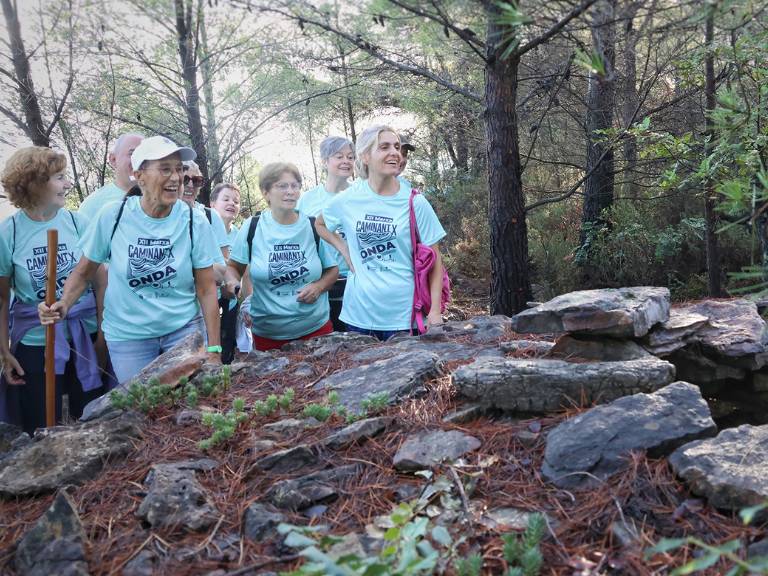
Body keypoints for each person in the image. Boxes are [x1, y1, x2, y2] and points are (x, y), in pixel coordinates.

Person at [39, 136, 222, 384]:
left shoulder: (193, 220)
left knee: (187, 406)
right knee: (143, 411)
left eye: (179, 169)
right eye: (165, 169)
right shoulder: (113, 215)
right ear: (140, 175)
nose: (176, 178)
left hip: (183, 331)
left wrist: (214, 350)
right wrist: (64, 303)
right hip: (129, 337)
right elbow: (84, 272)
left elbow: (206, 288)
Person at [1, 147, 105, 433]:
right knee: (40, 422)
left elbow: (100, 281)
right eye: (59, 177)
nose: (67, 184)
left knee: (90, 417)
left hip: (84, 334)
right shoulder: (8, 233)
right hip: (35, 345)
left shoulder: (78, 223)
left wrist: (103, 335)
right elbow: (1, 299)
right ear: (34, 183)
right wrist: (4, 351)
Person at [315, 125, 446, 341]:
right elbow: (320, 224)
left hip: (404, 317)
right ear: (365, 156)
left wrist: (434, 312)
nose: (394, 152)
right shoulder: (348, 199)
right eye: (384, 147)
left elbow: (436, 261)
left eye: (396, 146)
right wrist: (344, 249)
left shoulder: (415, 201)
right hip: (358, 316)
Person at [223, 162, 338, 351]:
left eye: (295, 186)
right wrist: (232, 283)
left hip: (316, 329)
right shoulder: (252, 226)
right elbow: (234, 267)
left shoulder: (312, 225)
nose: (290, 191)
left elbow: (332, 270)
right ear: (266, 192)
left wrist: (319, 286)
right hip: (268, 335)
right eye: (282, 186)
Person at [297, 136, 354, 331]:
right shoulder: (307, 200)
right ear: (325, 161)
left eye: (350, 157)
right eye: (339, 156)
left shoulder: (360, 195)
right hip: (319, 283)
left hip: (354, 279)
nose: (346, 161)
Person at [210, 182, 252, 361]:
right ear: (212, 204)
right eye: (225, 199)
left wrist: (248, 302)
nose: (231, 204)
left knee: (228, 349)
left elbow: (247, 272)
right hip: (209, 300)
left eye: (236, 201)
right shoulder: (203, 227)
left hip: (233, 302)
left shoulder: (241, 234)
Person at [78, 133, 144, 222]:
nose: (139, 161)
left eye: (144, 155)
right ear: (113, 159)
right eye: (132, 153)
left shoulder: (160, 198)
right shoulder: (94, 205)